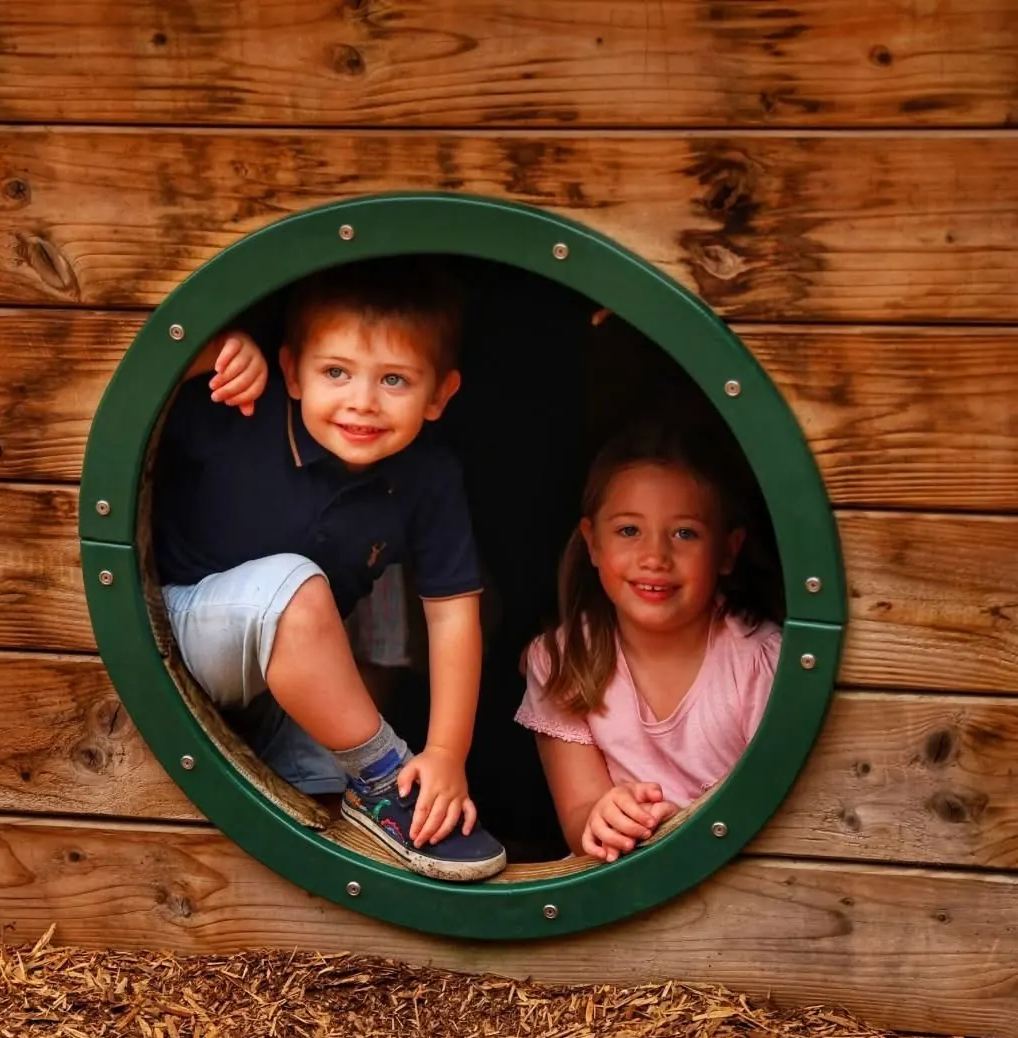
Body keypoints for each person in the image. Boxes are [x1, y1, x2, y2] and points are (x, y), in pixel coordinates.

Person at [153, 256, 506, 881]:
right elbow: (113, 382)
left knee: (315, 800)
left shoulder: (430, 476)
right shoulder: (241, 411)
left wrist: (448, 754)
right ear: (292, 371)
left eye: (394, 380)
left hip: (287, 681)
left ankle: (368, 800)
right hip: (178, 640)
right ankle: (382, 775)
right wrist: (213, 353)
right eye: (336, 371)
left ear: (440, 395)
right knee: (298, 588)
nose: (362, 403)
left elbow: (452, 617)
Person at [514, 420, 783, 863]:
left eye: (685, 533)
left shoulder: (761, 662)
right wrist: (602, 818)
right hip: (623, 892)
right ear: (592, 543)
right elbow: (579, 817)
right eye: (628, 531)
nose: (655, 557)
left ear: (728, 551)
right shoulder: (563, 661)